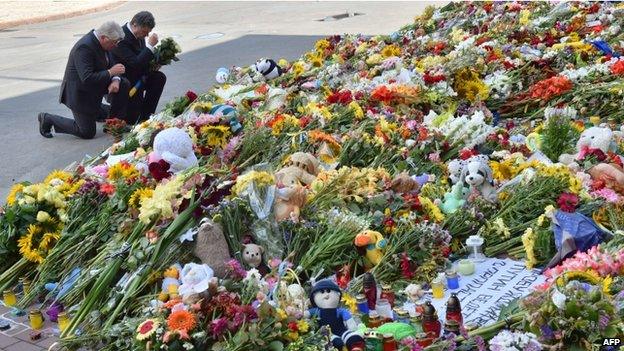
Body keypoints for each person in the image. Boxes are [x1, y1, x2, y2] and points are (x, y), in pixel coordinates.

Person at [38, 21, 126, 139]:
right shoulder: (84, 47)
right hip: (80, 95)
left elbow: (113, 64)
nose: (116, 45)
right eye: (114, 42)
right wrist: (111, 72)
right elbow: (87, 78)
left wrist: (115, 79)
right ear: (103, 37)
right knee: (87, 132)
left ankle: (112, 123)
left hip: (94, 92)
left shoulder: (104, 43)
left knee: (123, 83)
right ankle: (47, 119)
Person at [110, 11, 166, 124]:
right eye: (145, 32)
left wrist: (153, 64)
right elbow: (135, 63)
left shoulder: (138, 34)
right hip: (126, 80)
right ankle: (101, 111)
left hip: (138, 76)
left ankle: (146, 116)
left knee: (159, 77)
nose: (146, 35)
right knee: (130, 120)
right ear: (134, 24)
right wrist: (150, 46)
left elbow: (142, 58)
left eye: (148, 33)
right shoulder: (121, 38)